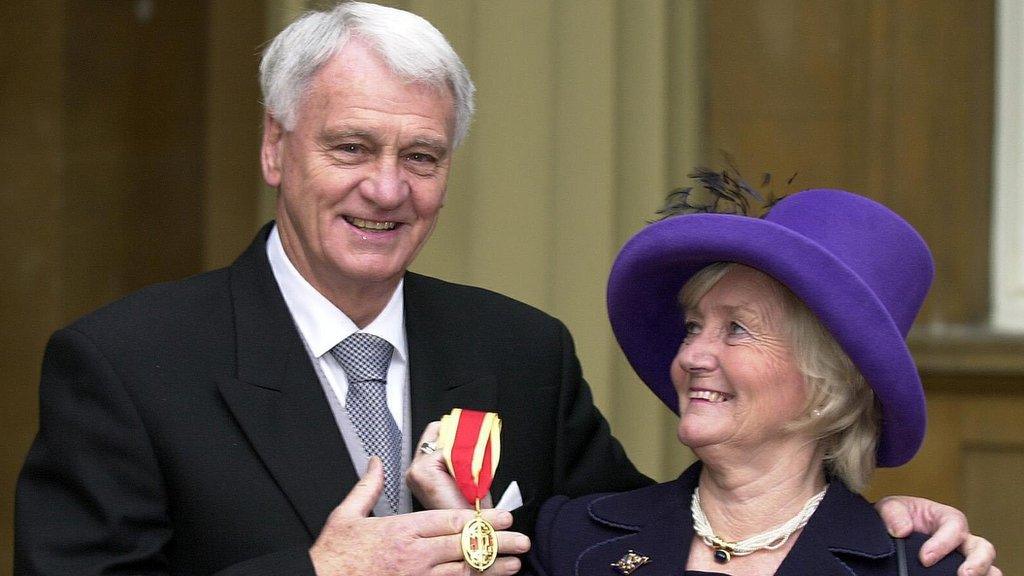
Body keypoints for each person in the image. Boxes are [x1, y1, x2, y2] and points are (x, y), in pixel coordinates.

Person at [13, 3, 997, 575]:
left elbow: (650, 536)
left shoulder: (517, 352)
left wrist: (859, 521)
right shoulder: (127, 365)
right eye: (352, 146)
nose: (388, 188)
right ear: (276, 146)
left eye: (423, 156)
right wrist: (321, 573)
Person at [526, 178, 997, 576]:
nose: (692, 355)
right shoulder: (571, 539)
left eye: (736, 329)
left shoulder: (913, 566)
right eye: (693, 326)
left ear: (828, 385)